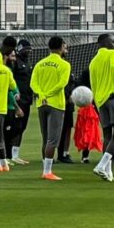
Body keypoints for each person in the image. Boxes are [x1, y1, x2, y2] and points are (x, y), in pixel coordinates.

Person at [31, 35, 72, 181]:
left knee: (45, 138)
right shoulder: (64, 65)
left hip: (41, 104)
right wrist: (48, 94)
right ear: (61, 47)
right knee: (52, 140)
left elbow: (33, 84)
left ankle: (45, 169)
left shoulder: (40, 64)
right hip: (56, 104)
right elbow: (62, 83)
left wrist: (42, 95)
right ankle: (47, 172)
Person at [90, 34, 114, 182]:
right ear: (105, 42)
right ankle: (101, 165)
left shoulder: (93, 61)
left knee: (107, 135)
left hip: (100, 101)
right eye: (112, 41)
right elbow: (113, 68)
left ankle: (108, 171)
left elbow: (93, 84)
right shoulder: (113, 53)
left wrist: (97, 101)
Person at [7, 39, 34, 165]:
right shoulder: (15, 63)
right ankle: (9, 154)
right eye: (26, 50)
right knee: (14, 127)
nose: (28, 52)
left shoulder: (27, 63)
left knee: (22, 127)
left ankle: (15, 154)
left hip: (27, 99)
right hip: (18, 99)